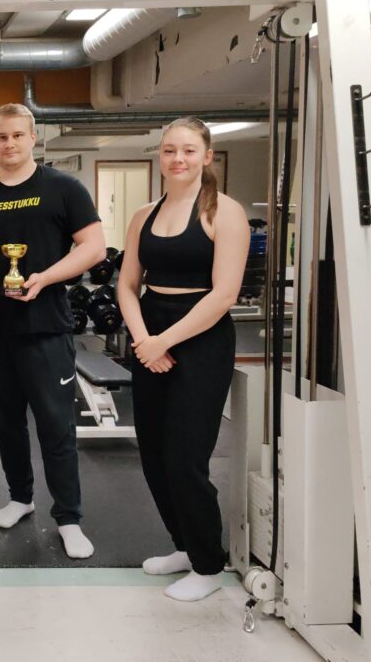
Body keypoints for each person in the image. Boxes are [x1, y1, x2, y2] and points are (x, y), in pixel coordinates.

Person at [0, 103, 104, 560]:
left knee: (56, 426)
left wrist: (45, 278)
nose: (9, 144)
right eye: (0, 137)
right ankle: (20, 497)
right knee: (5, 422)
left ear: (33, 138)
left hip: (46, 329)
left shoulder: (64, 188)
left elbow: (93, 248)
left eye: (17, 135)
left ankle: (69, 517)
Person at [117, 117, 248, 601]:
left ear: (207, 156)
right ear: (161, 155)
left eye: (189, 151)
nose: (178, 159)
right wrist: (144, 339)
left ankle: (208, 566)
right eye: (170, 150)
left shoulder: (224, 213)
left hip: (202, 336)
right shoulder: (144, 214)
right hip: (150, 330)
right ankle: (185, 546)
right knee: (151, 455)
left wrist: (163, 341)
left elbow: (223, 295)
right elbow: (127, 285)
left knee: (185, 459)